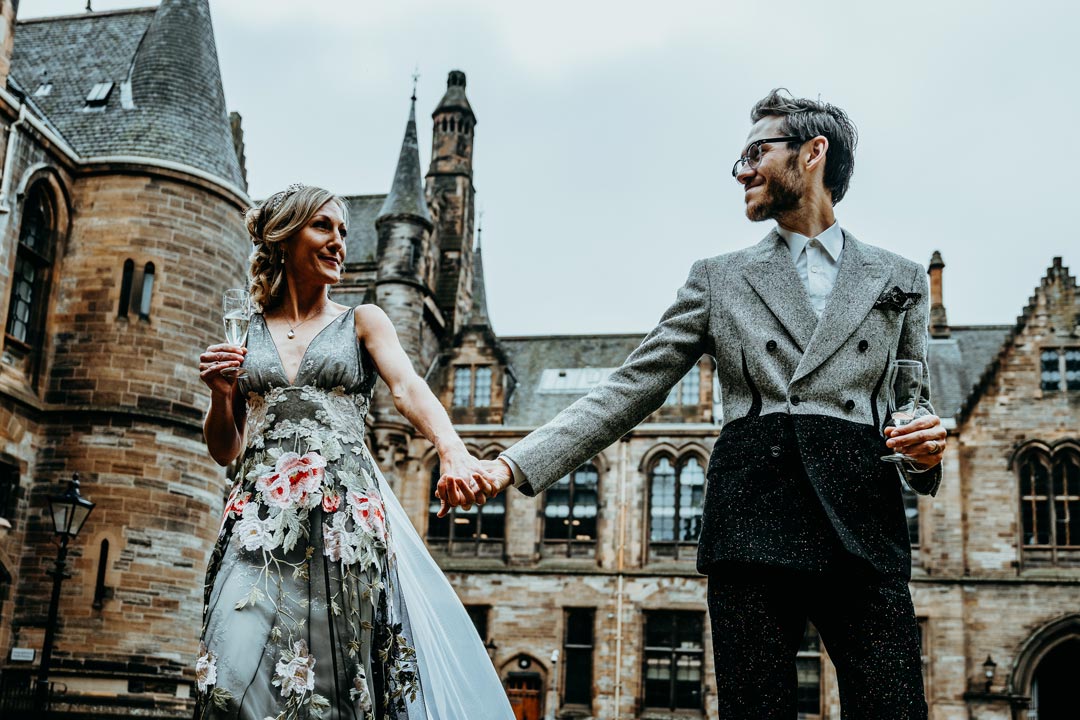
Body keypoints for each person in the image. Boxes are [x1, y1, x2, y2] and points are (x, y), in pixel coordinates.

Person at [444, 89, 947, 719]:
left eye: (755, 152)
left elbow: (910, 409)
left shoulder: (898, 278)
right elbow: (631, 386)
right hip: (754, 514)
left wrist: (924, 453)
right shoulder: (718, 277)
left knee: (895, 709)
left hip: (861, 520)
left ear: (813, 153)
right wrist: (512, 465)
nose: (742, 170)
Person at [195, 184, 510, 720]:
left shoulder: (363, 320)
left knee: (334, 672)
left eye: (343, 231)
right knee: (228, 663)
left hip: (343, 518)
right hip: (256, 519)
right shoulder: (245, 332)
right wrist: (221, 395)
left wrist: (452, 449)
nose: (338, 242)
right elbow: (225, 450)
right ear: (285, 237)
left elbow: (408, 388)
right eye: (324, 227)